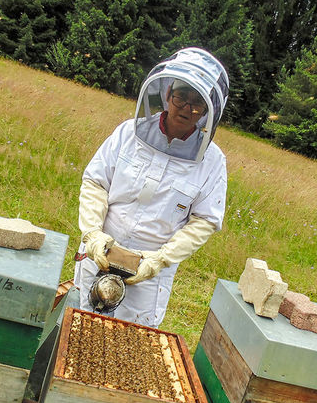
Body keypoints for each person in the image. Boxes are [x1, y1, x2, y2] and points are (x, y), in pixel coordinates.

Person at [74, 47, 230, 327]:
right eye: (181, 97)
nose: (186, 108)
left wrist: (160, 259)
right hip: (100, 252)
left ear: (207, 111)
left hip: (149, 271)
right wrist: (93, 234)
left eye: (197, 104)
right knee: (79, 324)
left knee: (130, 340)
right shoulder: (127, 133)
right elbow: (96, 183)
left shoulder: (213, 161)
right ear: (168, 94)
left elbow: (205, 220)